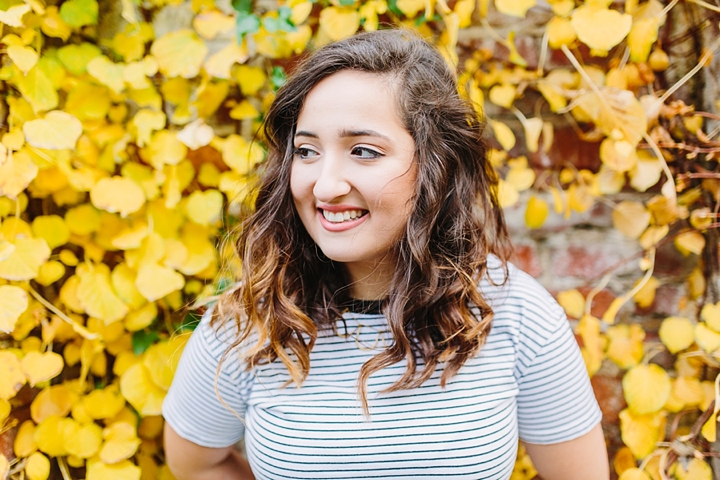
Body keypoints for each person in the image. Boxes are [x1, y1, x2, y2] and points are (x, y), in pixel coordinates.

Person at [162, 29, 609, 480]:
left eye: (363, 151)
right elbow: (197, 464)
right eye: (307, 151)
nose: (325, 185)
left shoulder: (517, 315)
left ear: (435, 165)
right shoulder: (250, 321)